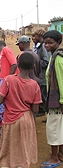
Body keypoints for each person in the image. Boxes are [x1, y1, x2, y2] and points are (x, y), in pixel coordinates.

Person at [0, 52, 42, 168]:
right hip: (27, 119)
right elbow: (36, 110)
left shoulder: (8, 80)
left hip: (10, 118)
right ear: (33, 67)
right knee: (24, 147)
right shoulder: (35, 85)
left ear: (17, 65)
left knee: (9, 146)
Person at [41, 30, 63, 168]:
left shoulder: (58, 59)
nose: (47, 45)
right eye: (46, 42)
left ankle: (54, 158)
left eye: (51, 42)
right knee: (60, 128)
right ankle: (61, 153)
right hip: (56, 100)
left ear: (58, 42)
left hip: (57, 102)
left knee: (53, 129)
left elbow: (61, 82)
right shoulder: (53, 56)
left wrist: (62, 102)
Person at [31, 29, 51, 118]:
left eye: (35, 36)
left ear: (39, 36)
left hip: (42, 74)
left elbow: (45, 61)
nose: (33, 38)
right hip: (41, 74)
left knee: (43, 94)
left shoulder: (43, 47)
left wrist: (36, 64)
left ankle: (45, 111)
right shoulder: (40, 46)